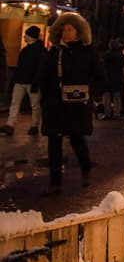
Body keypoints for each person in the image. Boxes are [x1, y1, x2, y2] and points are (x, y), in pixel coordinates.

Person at [37, 12, 103, 195]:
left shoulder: (88, 52)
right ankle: (55, 183)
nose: (66, 33)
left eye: (70, 29)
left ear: (78, 31)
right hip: (55, 104)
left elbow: (99, 76)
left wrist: (89, 93)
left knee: (77, 139)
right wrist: (44, 94)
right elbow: (44, 75)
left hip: (77, 105)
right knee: (54, 142)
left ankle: (86, 168)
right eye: (63, 29)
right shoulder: (55, 51)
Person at [3, 26, 46, 136]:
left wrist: (36, 82)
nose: (24, 37)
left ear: (31, 36)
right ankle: (10, 124)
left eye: (26, 35)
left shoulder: (39, 51)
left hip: (30, 81)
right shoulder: (28, 50)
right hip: (22, 81)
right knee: (17, 103)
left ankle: (34, 125)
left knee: (34, 105)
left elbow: (40, 68)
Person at [101, 39, 124, 120]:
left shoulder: (105, 55)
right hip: (118, 78)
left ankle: (107, 113)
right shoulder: (122, 57)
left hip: (107, 78)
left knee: (106, 96)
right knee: (117, 96)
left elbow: (102, 67)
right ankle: (117, 113)